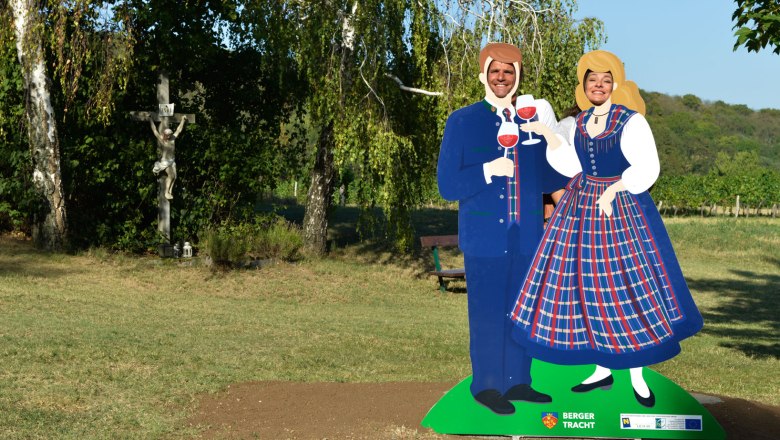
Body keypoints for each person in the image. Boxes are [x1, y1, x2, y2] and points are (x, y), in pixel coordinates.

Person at [510, 50, 703, 408]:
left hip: (621, 208)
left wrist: (613, 190)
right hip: (582, 208)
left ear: (615, 83)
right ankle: (601, 370)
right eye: (592, 80)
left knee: (626, 287)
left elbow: (647, 166)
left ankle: (638, 376)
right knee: (588, 286)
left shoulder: (630, 121)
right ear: (584, 85)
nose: (598, 85)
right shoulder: (581, 123)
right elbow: (571, 163)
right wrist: (545, 134)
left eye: (605, 79)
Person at [437, 42, 568, 415]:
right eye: (495, 71)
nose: (502, 77)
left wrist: (554, 141)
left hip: (527, 236)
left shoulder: (530, 122)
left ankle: (518, 382)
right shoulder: (462, 121)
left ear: (518, 78)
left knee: (521, 311)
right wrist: (487, 171)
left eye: (509, 72)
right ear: (483, 75)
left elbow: (546, 177)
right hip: (484, 238)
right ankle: (487, 387)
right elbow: (447, 185)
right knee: (488, 313)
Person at [151, 116, 186, 200]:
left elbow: (179, 130)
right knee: (171, 175)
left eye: (169, 135)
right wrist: (150, 119)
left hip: (172, 161)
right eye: (167, 135)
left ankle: (170, 190)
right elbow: (154, 130)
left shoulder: (172, 139)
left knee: (175, 176)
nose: (168, 136)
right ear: (164, 134)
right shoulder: (162, 140)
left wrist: (183, 120)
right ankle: (166, 192)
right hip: (165, 162)